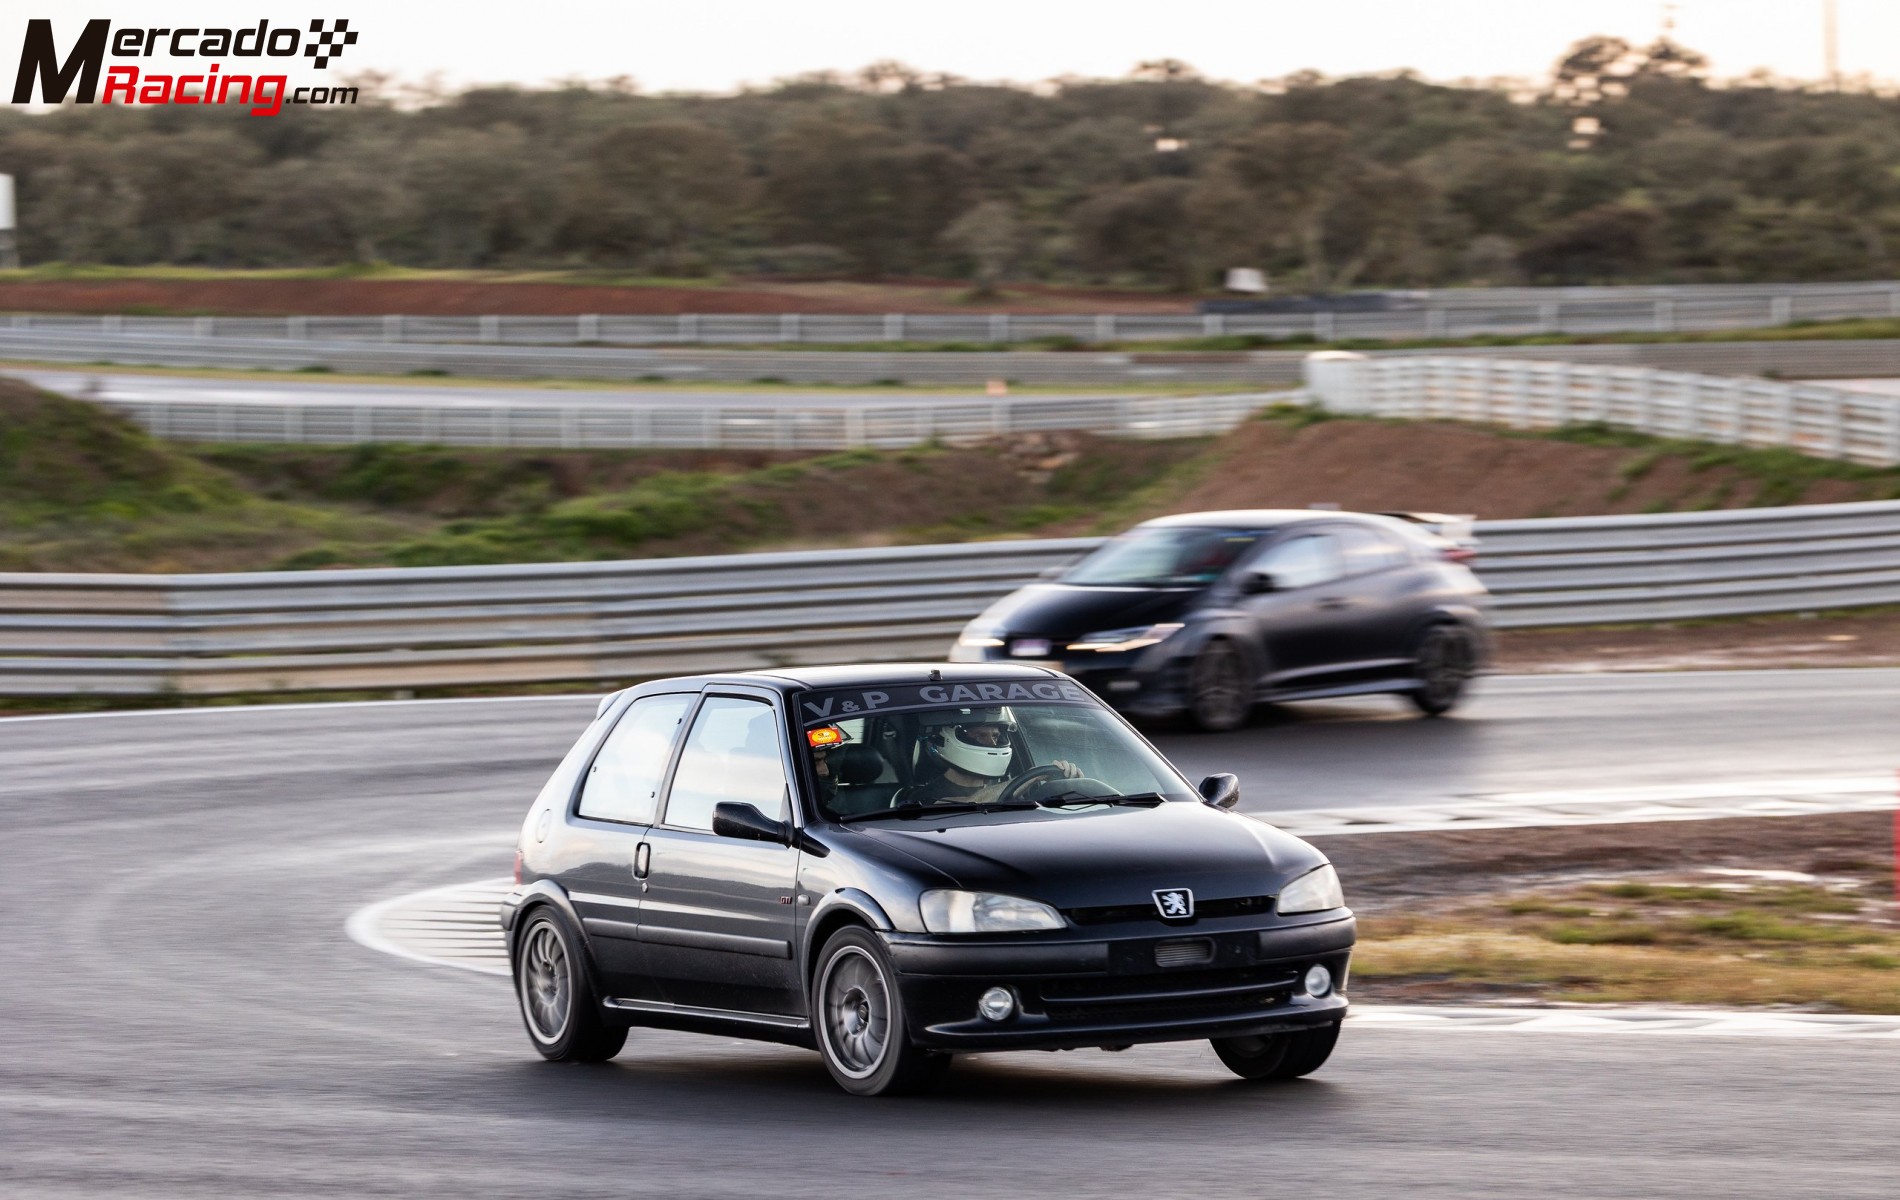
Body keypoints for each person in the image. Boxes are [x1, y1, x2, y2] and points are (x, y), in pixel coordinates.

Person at [901, 708, 1080, 806]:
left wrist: (1069, 783)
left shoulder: (1011, 786)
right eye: (981, 735)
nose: (992, 744)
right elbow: (971, 804)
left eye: (995, 736)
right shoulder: (925, 797)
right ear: (948, 740)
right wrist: (1032, 776)